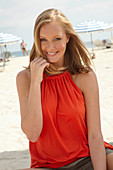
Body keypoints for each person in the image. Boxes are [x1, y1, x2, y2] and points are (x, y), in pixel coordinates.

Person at [16, 9, 113, 170]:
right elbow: (32, 134)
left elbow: (95, 135)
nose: (50, 47)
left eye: (57, 39)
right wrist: (35, 81)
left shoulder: (85, 77)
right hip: (47, 166)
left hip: (86, 158)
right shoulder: (25, 78)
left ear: (68, 38)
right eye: (43, 40)